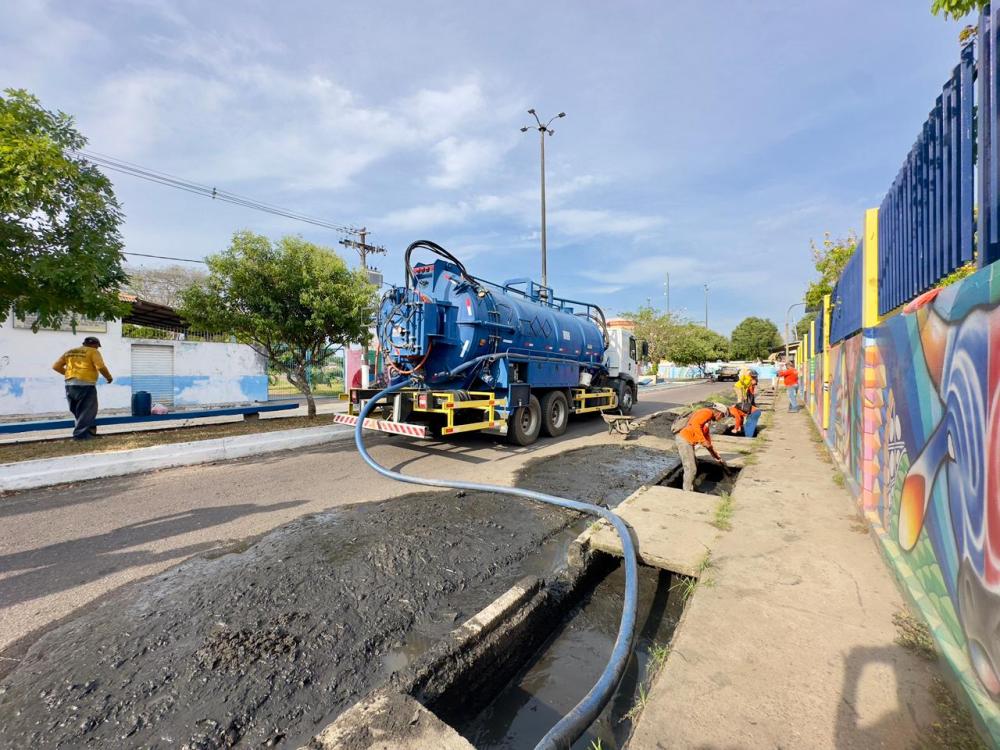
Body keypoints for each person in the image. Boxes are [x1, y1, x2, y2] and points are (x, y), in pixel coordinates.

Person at [52, 336, 113, 440]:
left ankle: (89, 434)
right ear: (94, 345)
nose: (97, 348)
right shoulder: (93, 351)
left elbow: (56, 366)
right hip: (86, 384)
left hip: (70, 385)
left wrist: (69, 375)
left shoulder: (70, 352)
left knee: (78, 411)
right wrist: (109, 377)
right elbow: (100, 367)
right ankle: (80, 436)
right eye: (97, 346)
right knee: (88, 411)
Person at [675, 402, 728, 492]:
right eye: (722, 417)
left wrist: (715, 456)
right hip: (684, 440)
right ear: (719, 412)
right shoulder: (707, 412)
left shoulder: (708, 420)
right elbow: (695, 424)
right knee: (691, 468)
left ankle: (692, 487)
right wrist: (702, 441)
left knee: (694, 464)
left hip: (688, 441)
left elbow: (707, 439)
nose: (720, 419)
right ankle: (687, 492)